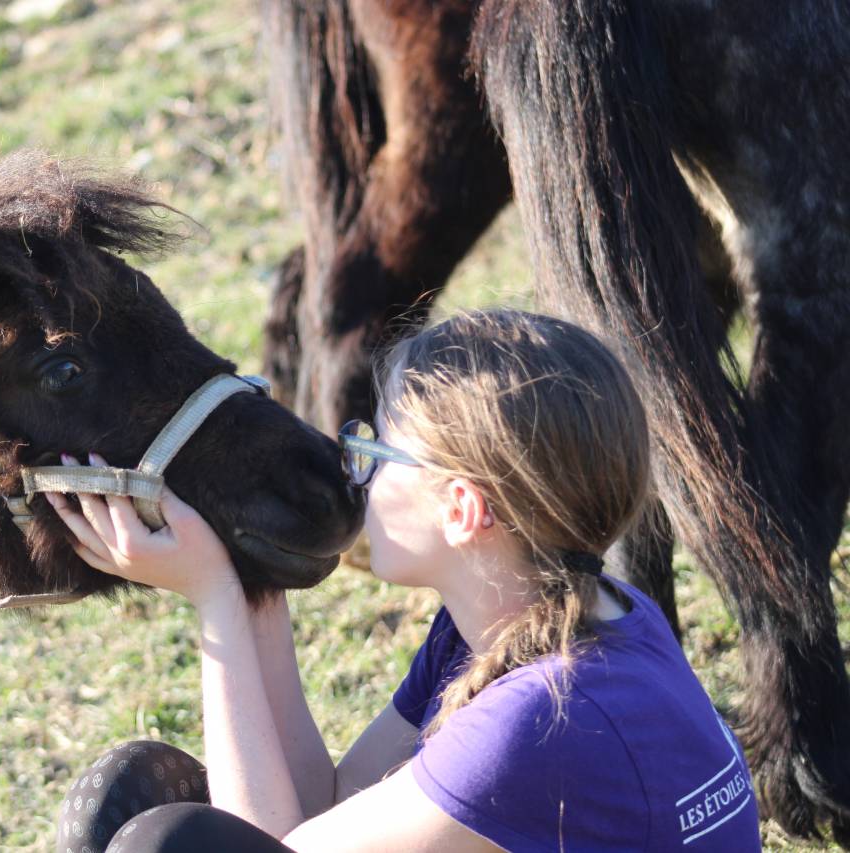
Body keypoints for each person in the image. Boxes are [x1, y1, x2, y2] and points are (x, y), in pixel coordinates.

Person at [47, 309, 762, 852]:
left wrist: (215, 605)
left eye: (377, 450)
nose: (356, 469)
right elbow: (326, 804)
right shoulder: (548, 620)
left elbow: (277, 849)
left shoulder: (536, 719)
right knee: (126, 788)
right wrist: (254, 576)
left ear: (462, 508)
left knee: (166, 843)